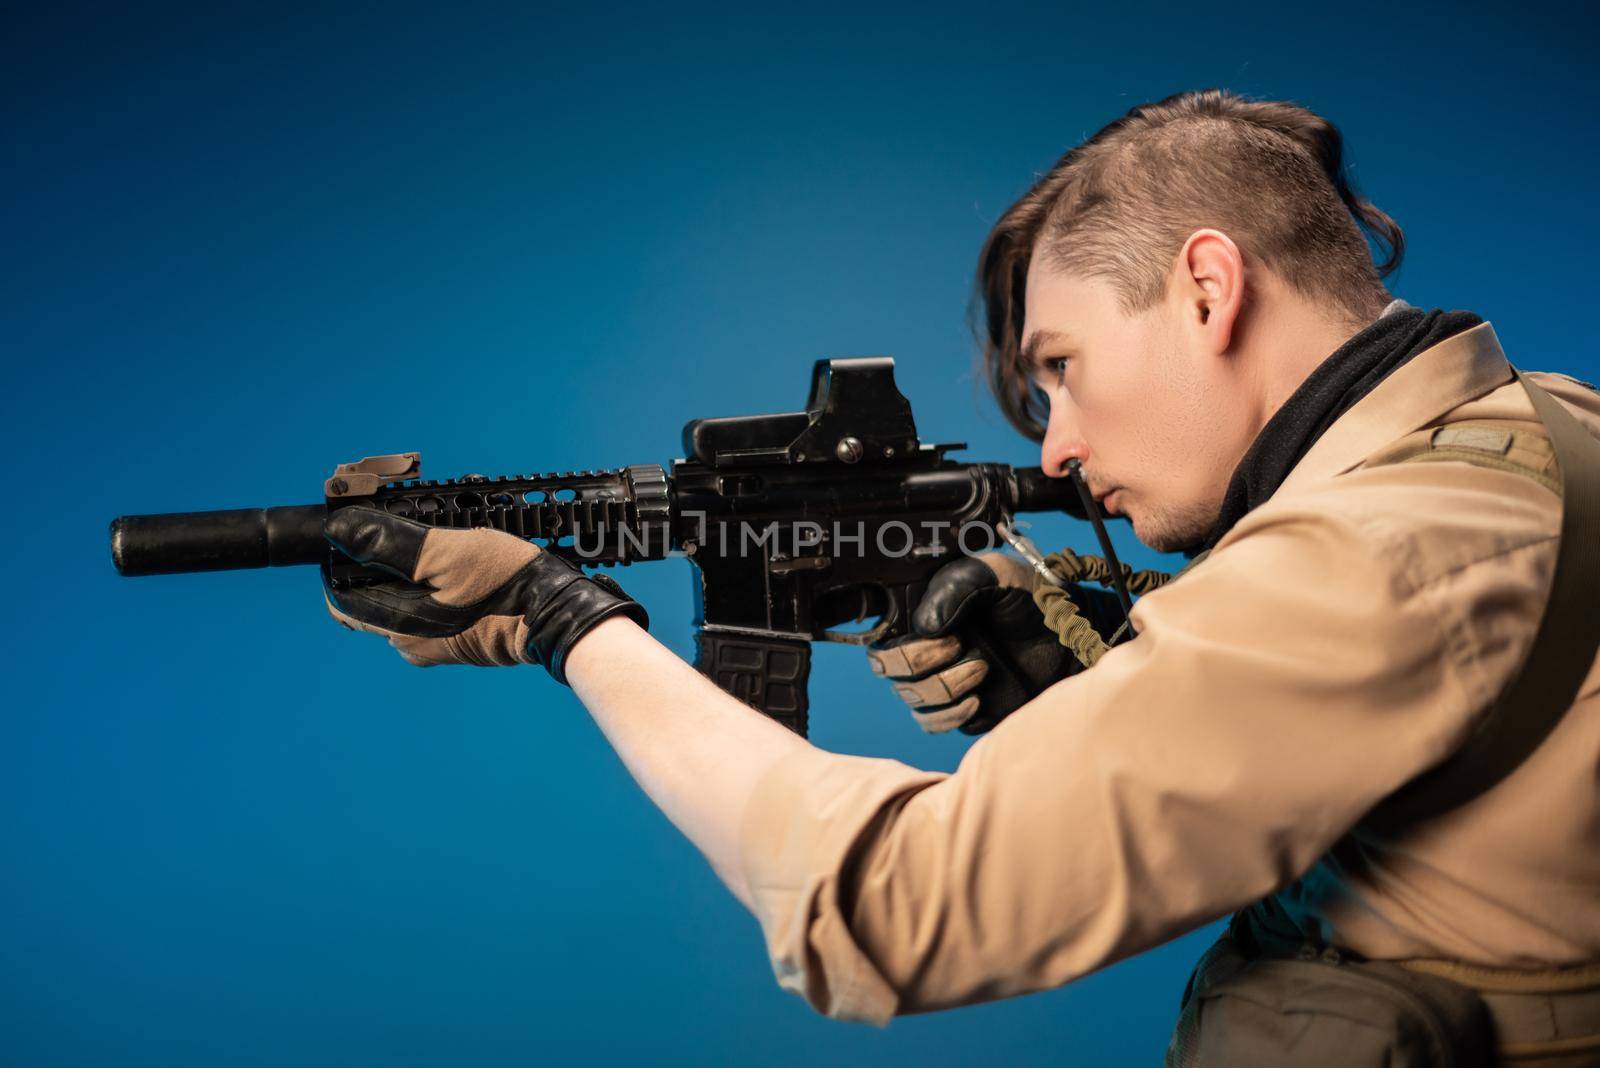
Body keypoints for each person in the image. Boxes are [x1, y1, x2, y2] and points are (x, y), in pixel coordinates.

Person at [320, 90, 1600, 1064]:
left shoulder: (1371, 552)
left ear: (1208, 289)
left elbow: (886, 911)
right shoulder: (1544, 423)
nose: (1055, 444)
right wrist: (1097, 657)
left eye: (1062, 365)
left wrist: (568, 621)